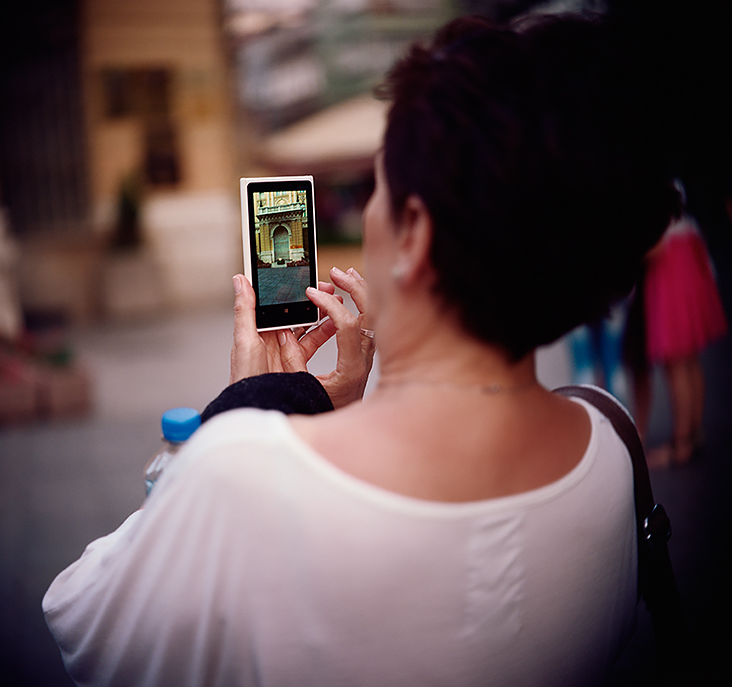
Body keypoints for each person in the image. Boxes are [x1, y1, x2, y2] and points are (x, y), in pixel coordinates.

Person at [43, 13, 680, 686]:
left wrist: (253, 408)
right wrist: (321, 409)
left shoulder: (240, 469)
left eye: (379, 188)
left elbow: (79, 615)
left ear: (413, 231)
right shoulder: (611, 436)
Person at [639, 197, 728, 467]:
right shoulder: (673, 182)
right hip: (688, 255)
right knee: (690, 358)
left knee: (675, 361)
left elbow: (654, 247)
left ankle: (682, 443)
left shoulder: (649, 186)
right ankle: (694, 433)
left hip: (670, 267)